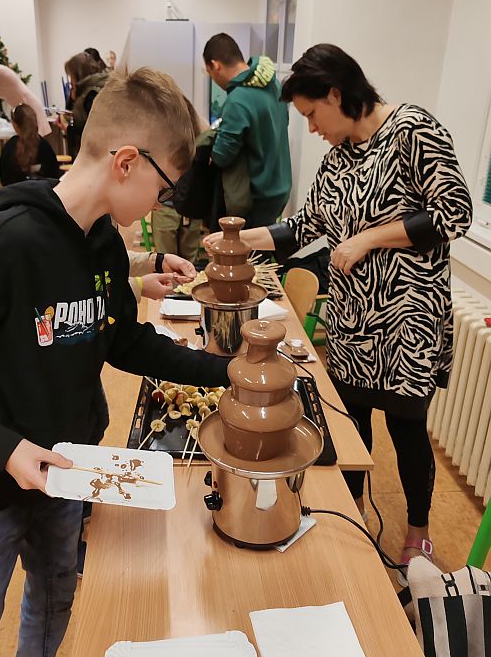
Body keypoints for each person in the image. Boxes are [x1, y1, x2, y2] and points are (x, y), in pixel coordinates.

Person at [0, 67, 230, 657]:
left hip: (67, 470)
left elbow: (124, 340)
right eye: (164, 188)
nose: (161, 203)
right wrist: (4, 447)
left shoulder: (101, 242)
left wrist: (222, 371)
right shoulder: (9, 244)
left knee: (54, 597)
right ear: (126, 163)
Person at [204, 43, 472, 580]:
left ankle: (417, 530)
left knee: (406, 427)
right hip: (352, 322)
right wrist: (238, 239)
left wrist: (368, 238)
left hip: (407, 320)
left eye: (311, 114)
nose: (311, 128)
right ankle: (352, 515)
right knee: (351, 424)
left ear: (336, 94)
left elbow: (454, 212)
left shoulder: (412, 131)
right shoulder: (337, 160)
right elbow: (302, 228)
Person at [203, 33, 291, 227]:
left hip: (256, 196)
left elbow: (222, 155)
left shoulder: (238, 99)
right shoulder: (273, 85)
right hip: (279, 187)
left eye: (209, 72)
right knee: (267, 239)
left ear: (216, 65)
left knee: (248, 245)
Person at [151, 97, 204, 262]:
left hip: (191, 208)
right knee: (166, 262)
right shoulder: (158, 142)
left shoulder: (199, 138)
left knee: (190, 263)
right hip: (166, 207)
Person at [63, 52, 111, 159]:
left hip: (96, 155)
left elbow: (91, 129)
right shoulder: (94, 88)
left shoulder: (92, 94)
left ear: (78, 74)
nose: (70, 81)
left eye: (71, 76)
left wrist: (68, 128)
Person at [0, 104, 60, 185]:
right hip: (42, 192)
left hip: (14, 192)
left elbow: (4, 179)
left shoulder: (9, 148)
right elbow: (54, 176)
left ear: (14, 125)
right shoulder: (45, 147)